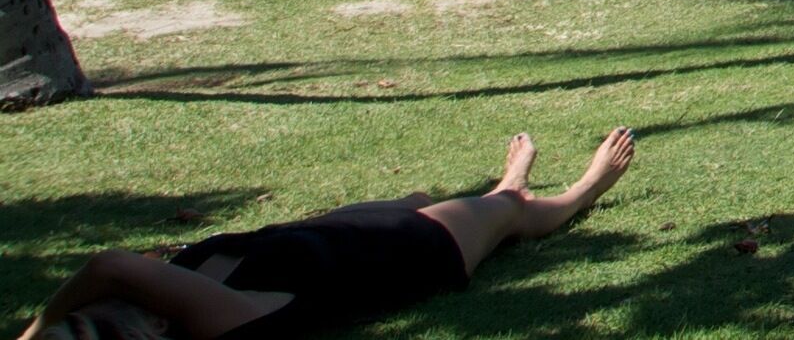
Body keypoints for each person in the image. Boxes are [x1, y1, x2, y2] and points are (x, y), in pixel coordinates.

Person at [16, 130, 634, 339]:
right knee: (508, 215)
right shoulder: (217, 326)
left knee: (420, 197)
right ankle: (578, 187)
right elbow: (108, 268)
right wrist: (35, 331)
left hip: (321, 232)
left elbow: (114, 284)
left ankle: (504, 185)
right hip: (405, 255)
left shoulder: (165, 301)